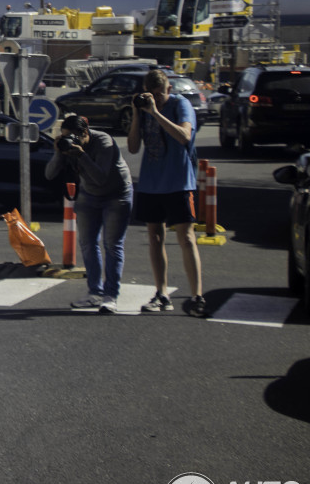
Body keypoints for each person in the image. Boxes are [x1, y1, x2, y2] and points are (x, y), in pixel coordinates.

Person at [127, 68, 207, 317]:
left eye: (160, 94)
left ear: (169, 90)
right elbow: (131, 147)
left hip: (179, 182)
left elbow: (184, 136)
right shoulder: (144, 108)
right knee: (155, 237)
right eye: (151, 95)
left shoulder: (180, 104)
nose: (156, 99)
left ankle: (196, 296)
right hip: (152, 183)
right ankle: (161, 293)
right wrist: (136, 114)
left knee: (186, 238)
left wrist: (155, 112)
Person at [46, 114, 133, 315]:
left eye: (74, 137)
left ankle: (110, 296)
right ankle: (94, 292)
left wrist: (81, 154)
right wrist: (59, 152)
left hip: (116, 194)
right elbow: (49, 174)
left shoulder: (103, 141)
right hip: (89, 195)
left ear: (85, 133)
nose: (71, 141)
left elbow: (101, 177)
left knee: (112, 245)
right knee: (87, 243)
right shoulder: (68, 145)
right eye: (66, 137)